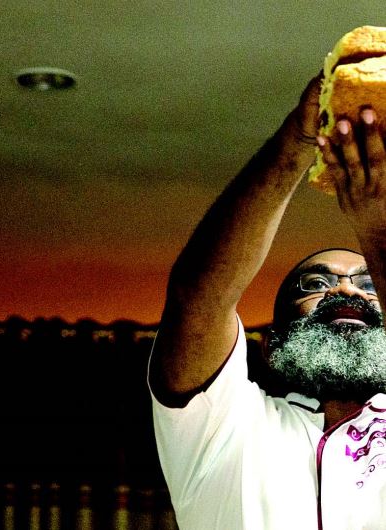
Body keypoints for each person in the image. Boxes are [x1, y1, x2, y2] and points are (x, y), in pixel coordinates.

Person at [148, 71, 385, 529]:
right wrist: (298, 142)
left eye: (370, 284)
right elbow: (197, 301)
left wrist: (378, 232)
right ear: (272, 345)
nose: (346, 289)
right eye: (314, 284)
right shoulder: (225, 429)